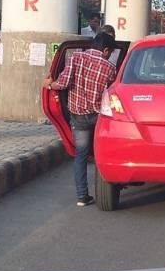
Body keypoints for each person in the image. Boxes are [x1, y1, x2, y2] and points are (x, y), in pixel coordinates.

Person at [43, 32, 116, 207]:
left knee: (81, 156)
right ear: (105, 50)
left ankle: (82, 197)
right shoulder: (110, 68)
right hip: (99, 117)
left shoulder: (76, 57)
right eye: (110, 52)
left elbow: (63, 84)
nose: (110, 55)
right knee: (101, 155)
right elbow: (111, 94)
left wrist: (49, 84)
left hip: (79, 118)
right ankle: (104, 191)